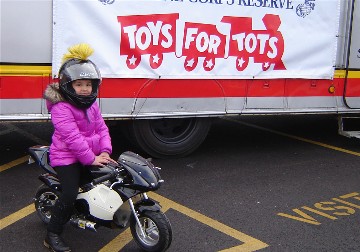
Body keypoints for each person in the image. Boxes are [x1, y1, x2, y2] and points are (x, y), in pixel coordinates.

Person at [43, 43, 116, 252]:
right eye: (79, 84)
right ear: (67, 85)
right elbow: (72, 138)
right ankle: (53, 234)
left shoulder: (90, 103)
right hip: (65, 157)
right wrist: (90, 159)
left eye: (88, 84)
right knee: (69, 193)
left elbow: (101, 128)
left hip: (90, 155)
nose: (85, 88)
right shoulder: (61, 107)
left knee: (106, 180)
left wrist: (105, 151)